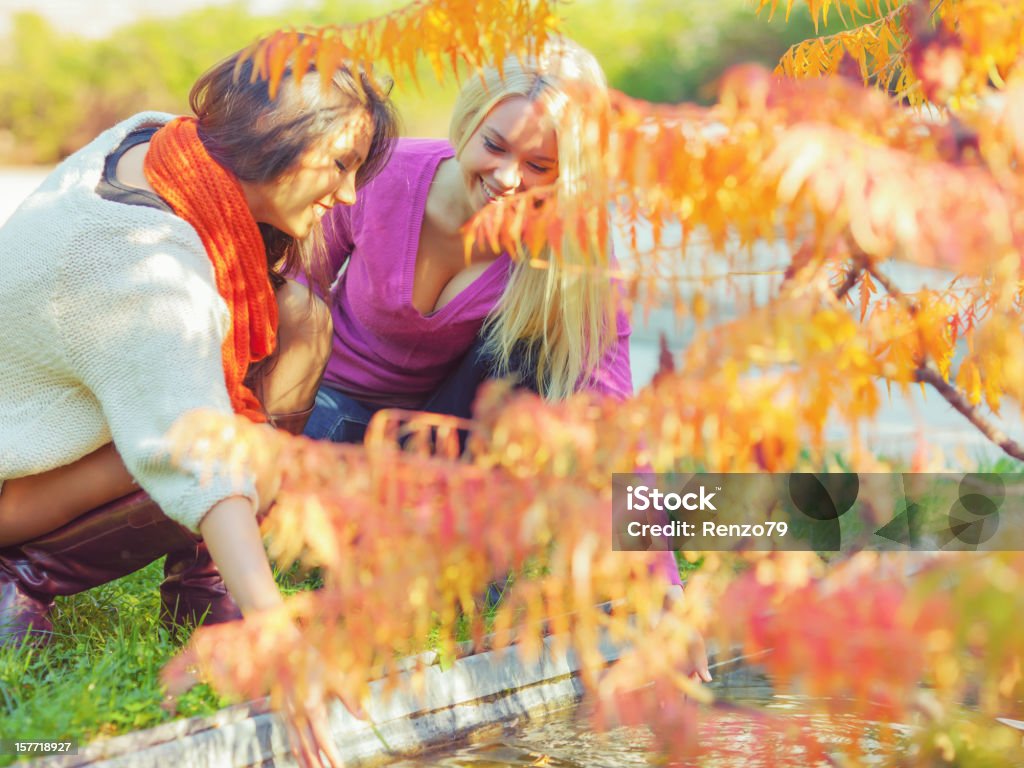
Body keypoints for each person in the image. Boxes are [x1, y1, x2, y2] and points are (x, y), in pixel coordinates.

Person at [0, 41, 397, 766]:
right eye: (340, 164)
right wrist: (276, 633)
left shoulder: (161, 141)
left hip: (47, 438)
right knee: (237, 448)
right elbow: (202, 455)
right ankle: (21, 577)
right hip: (12, 487)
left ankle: (200, 585)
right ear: (276, 136)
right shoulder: (138, 264)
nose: (347, 195)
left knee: (301, 317)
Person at [301, 38, 710, 682]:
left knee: (545, 334)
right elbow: (285, 297)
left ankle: (473, 553)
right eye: (495, 146)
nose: (509, 178)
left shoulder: (572, 259)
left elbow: (612, 432)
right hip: (319, 421)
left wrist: (662, 589)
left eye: (540, 164)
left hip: (428, 447)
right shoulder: (384, 177)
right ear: (469, 123)